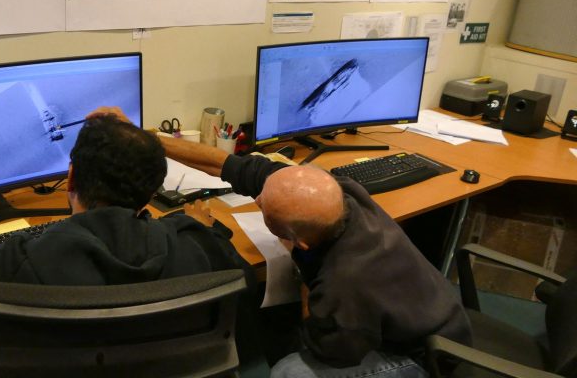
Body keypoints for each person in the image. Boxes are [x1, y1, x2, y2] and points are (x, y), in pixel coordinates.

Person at [93, 107, 472, 377]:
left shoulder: (342, 286)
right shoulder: (338, 192)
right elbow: (226, 166)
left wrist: (304, 278)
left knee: (292, 370)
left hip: (429, 357)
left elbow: (330, 350)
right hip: (418, 310)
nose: (256, 199)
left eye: (263, 209)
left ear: (299, 242)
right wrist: (143, 137)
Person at [0, 114, 253, 315]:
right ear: (153, 193)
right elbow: (247, 286)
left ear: (72, 177)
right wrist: (199, 231)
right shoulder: (194, 244)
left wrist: (1, 247)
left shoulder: (28, 257)